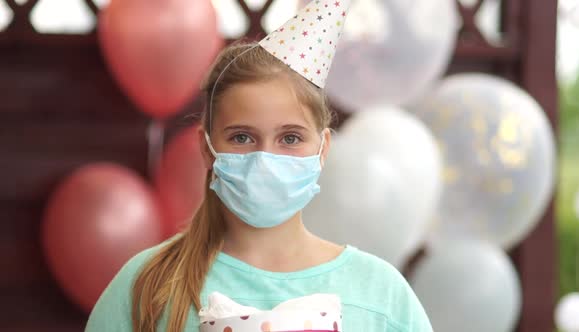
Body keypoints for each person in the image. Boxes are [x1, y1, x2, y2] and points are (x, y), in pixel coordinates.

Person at [86, 1, 433, 331]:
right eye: (241, 138)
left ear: (323, 148)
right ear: (207, 148)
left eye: (291, 138)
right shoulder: (146, 287)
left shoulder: (380, 294)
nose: (266, 159)